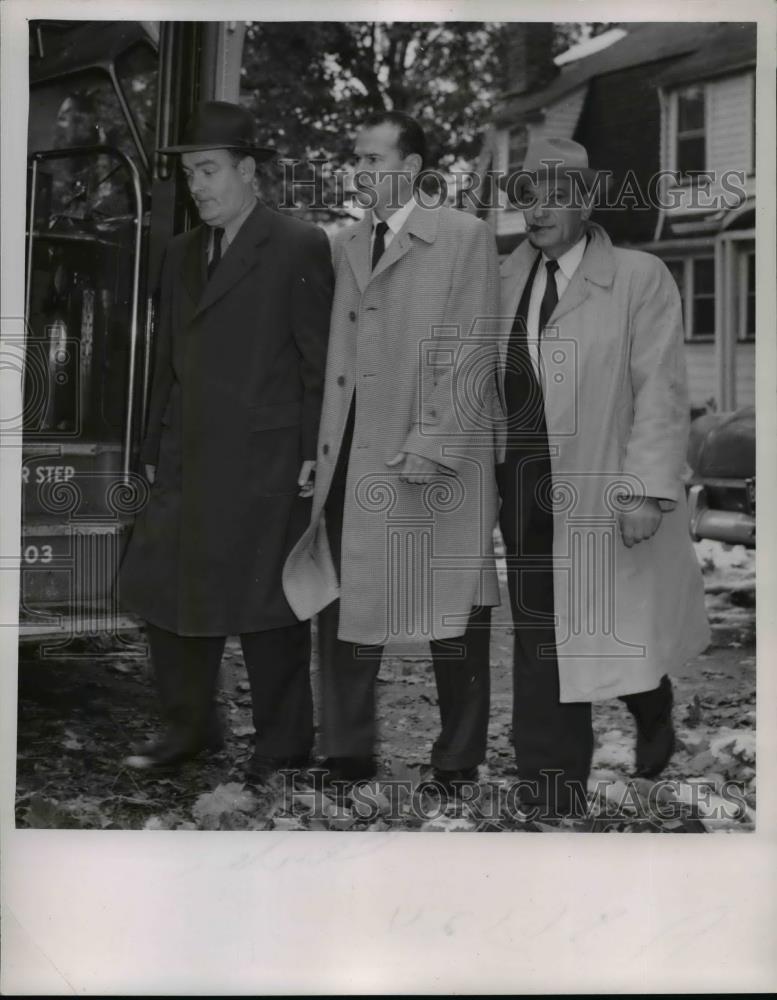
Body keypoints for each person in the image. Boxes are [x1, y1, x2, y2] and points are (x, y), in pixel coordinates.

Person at [283, 110, 502, 791]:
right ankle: (348, 753)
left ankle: (457, 761)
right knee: (347, 598)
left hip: (437, 452)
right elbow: (339, 359)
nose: (358, 170)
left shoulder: (464, 237)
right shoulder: (348, 241)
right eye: (355, 158)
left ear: (410, 169)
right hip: (356, 451)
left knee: (454, 609)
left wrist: (432, 442)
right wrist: (323, 448)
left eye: (372, 158)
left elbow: (472, 350)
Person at [496, 136, 710, 818]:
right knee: (539, 631)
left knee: (610, 625)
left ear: (585, 203)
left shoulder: (639, 278)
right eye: (527, 196)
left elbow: (660, 391)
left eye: (555, 196)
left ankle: (650, 706)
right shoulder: (505, 278)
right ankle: (548, 783)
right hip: (523, 477)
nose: (537, 211)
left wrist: (648, 488)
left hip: (601, 477)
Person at [119, 101, 333, 779]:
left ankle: (284, 741)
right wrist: (152, 448)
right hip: (186, 456)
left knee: (268, 605)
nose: (198, 186)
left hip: (267, 459)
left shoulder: (297, 244)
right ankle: (190, 729)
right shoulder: (180, 252)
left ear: (248, 171)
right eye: (190, 176)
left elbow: (319, 362)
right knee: (166, 592)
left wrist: (311, 455)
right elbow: (167, 363)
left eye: (208, 171)